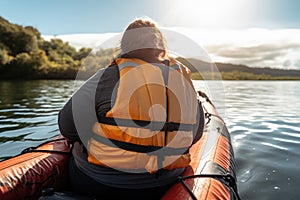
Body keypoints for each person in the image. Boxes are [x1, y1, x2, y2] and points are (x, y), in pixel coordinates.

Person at [58, 17, 204, 199]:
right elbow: (196, 134)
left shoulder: (106, 77)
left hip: (98, 183)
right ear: (160, 45)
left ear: (125, 45)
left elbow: (67, 127)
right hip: (167, 184)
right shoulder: (185, 83)